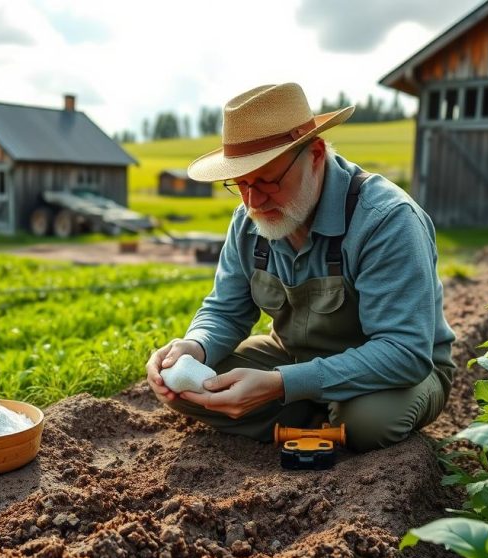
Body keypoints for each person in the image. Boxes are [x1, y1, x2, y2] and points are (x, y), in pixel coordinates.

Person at [145, 82, 456, 453]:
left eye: (268, 180)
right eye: (240, 184)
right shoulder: (249, 219)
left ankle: (317, 409)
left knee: (369, 423)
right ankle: (317, 409)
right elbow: (225, 310)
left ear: (316, 154)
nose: (254, 201)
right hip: (293, 357)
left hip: (394, 373)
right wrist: (195, 347)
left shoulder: (386, 220)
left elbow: (403, 352)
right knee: (183, 384)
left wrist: (279, 384)